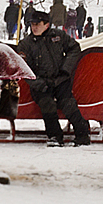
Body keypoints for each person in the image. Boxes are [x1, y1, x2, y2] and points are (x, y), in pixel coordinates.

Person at [17, 9, 92, 147]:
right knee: (47, 104)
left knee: (68, 103)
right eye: (32, 24)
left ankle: (83, 134)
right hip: (40, 83)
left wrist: (65, 70)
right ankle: (55, 136)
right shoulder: (25, 44)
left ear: (46, 25)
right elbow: (24, 68)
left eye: (37, 24)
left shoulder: (58, 36)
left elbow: (74, 49)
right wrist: (38, 83)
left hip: (60, 80)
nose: (34, 27)